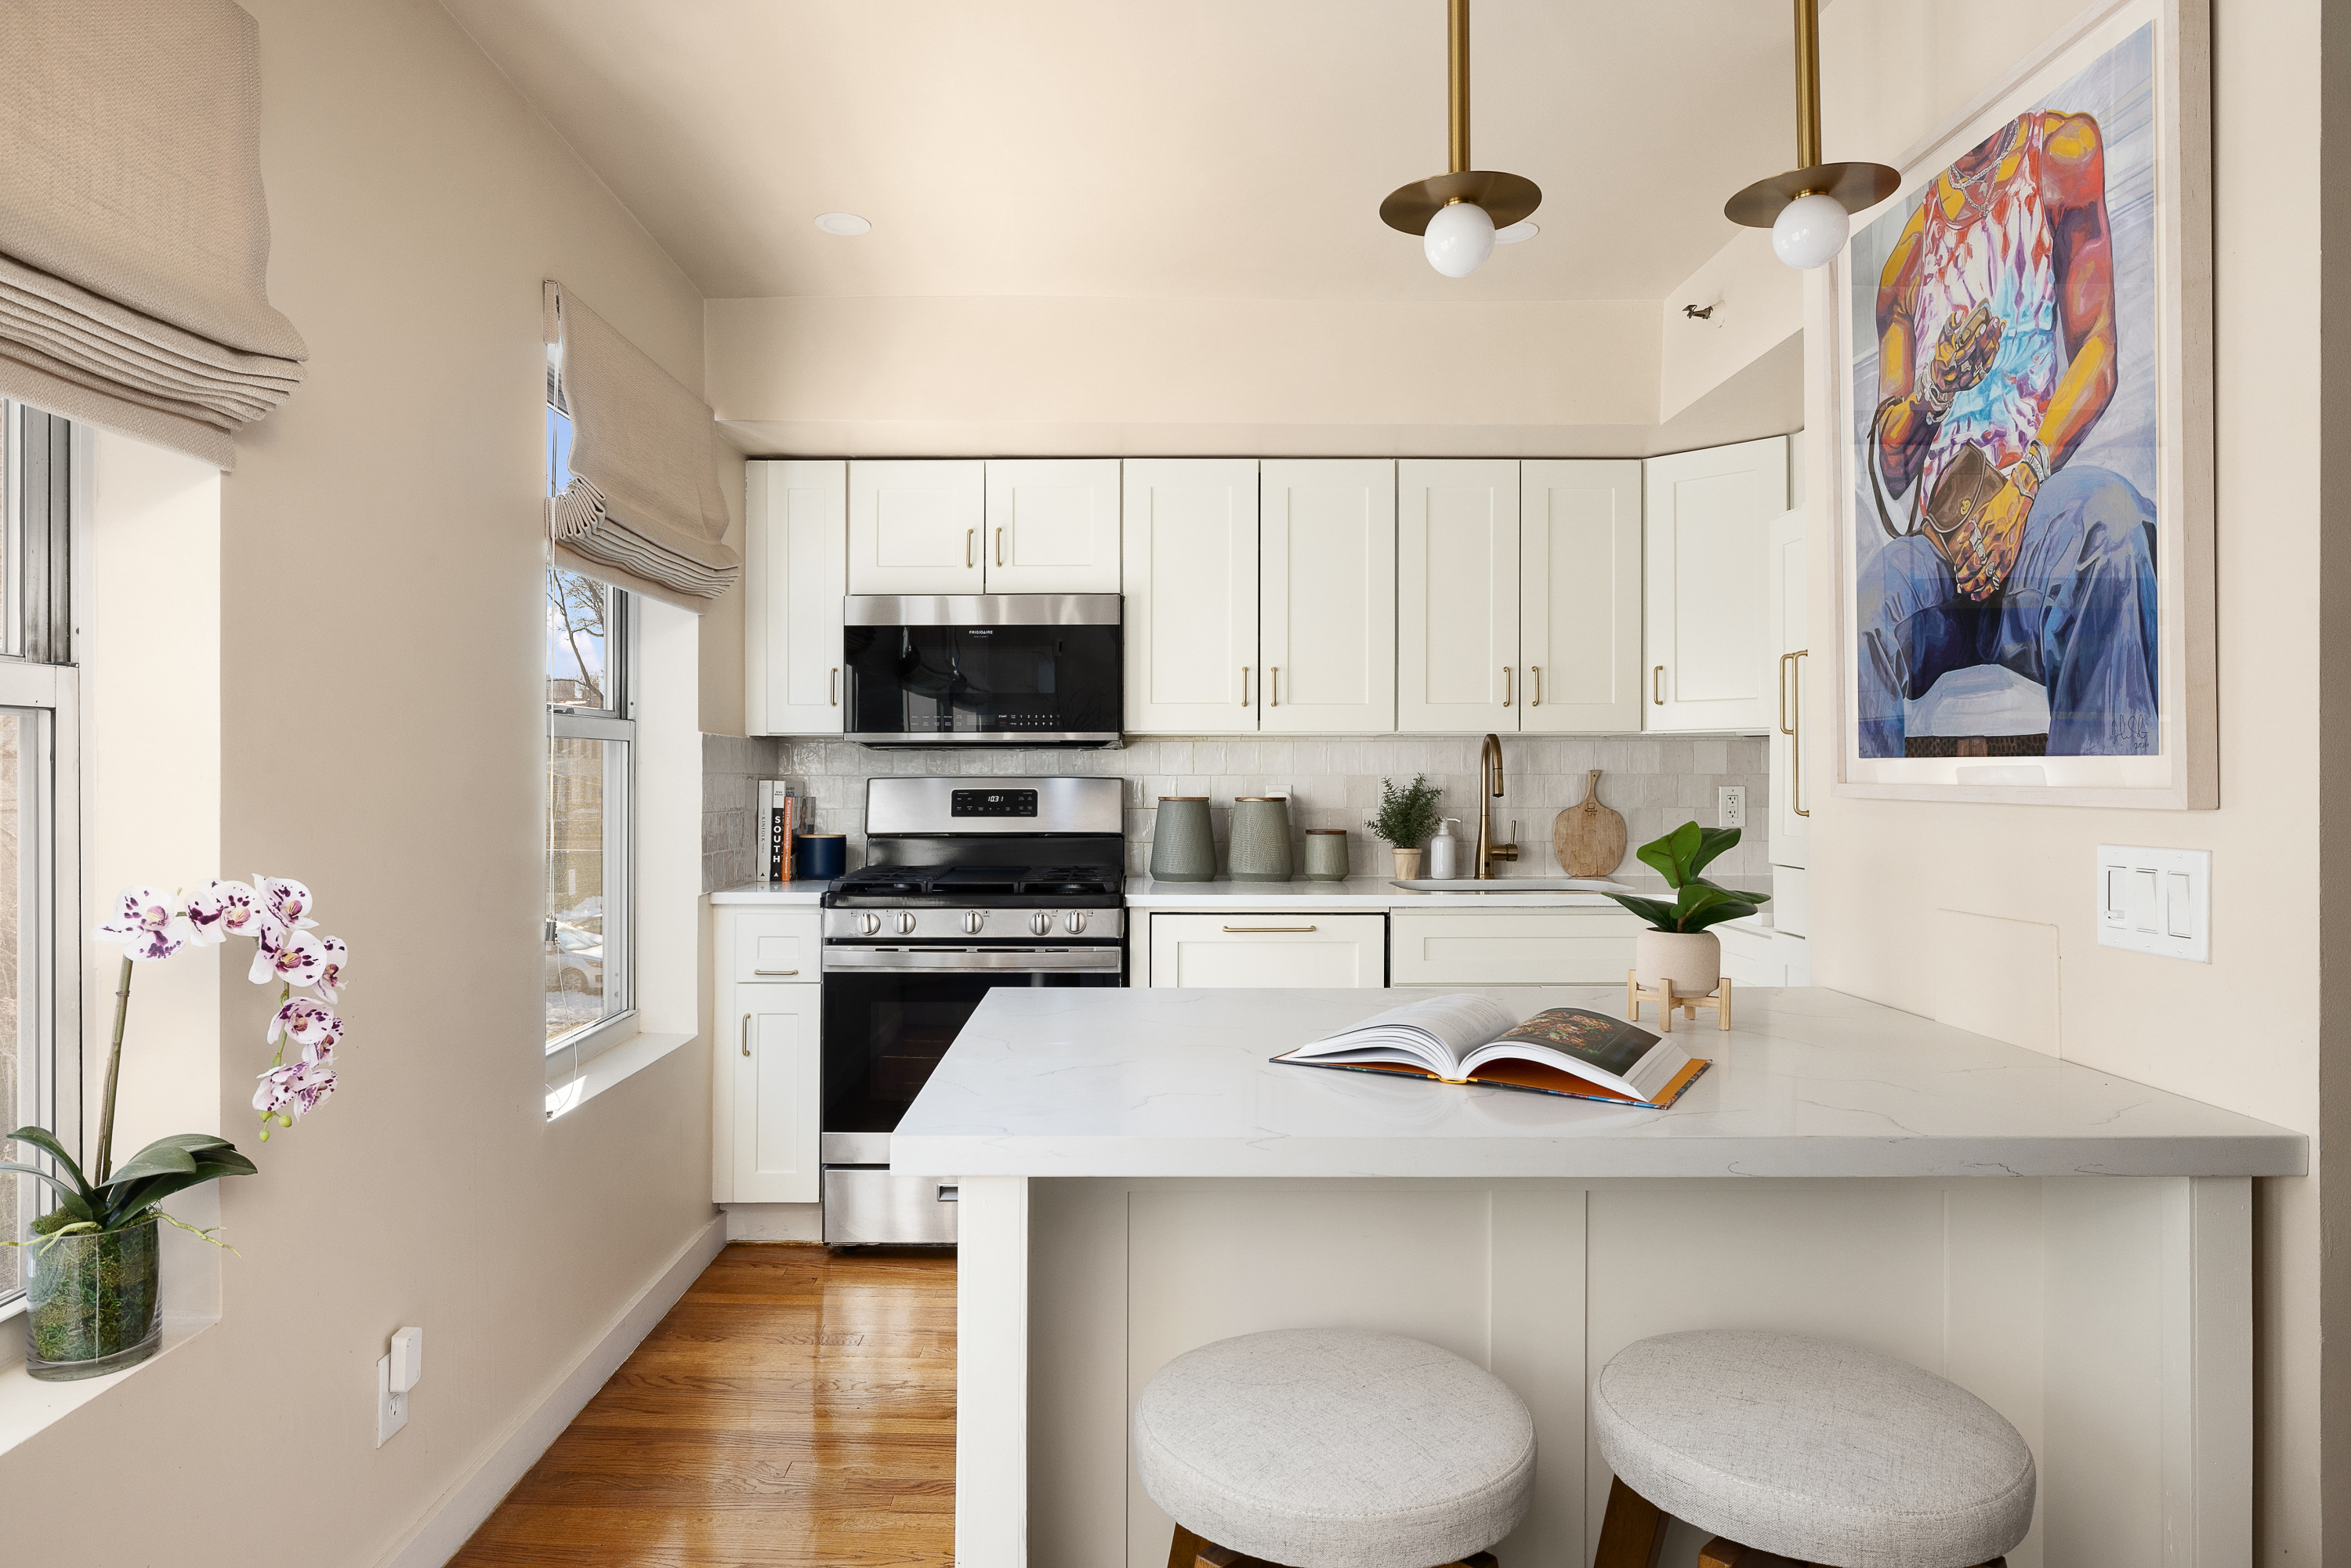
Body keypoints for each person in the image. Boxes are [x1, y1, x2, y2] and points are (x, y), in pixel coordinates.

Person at [1860, 107, 2157, 758]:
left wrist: (2022, 485)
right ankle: (1869, 837)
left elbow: (2097, 351)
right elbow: (1892, 460)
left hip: (2032, 514)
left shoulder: (2060, 149)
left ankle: (2111, 817)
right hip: (1942, 556)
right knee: (1867, 600)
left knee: (2110, 521)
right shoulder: (1905, 261)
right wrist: (1932, 391)